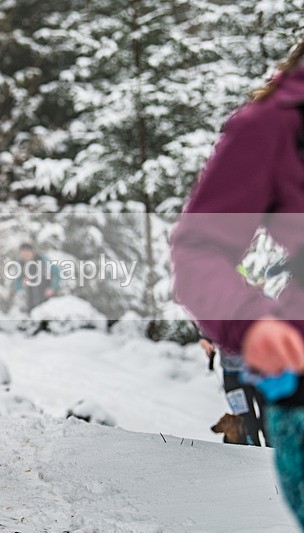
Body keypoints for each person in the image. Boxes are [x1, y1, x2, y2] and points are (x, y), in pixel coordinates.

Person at [171, 40, 304, 524]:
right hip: (282, 363)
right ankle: (246, 437)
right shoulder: (274, 123)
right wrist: (251, 326)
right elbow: (199, 250)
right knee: (237, 398)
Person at [198, 333, 268, 446]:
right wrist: (207, 345)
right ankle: (253, 455)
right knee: (244, 421)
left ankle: (274, 453)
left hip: (262, 373)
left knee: (268, 417)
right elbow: (205, 336)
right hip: (232, 376)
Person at [14, 243, 60, 314]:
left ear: (33, 251)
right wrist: (22, 284)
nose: (26, 254)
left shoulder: (43, 260)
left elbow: (57, 273)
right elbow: (17, 285)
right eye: (23, 252)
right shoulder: (19, 266)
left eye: (28, 251)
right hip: (31, 302)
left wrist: (52, 288)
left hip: (47, 298)